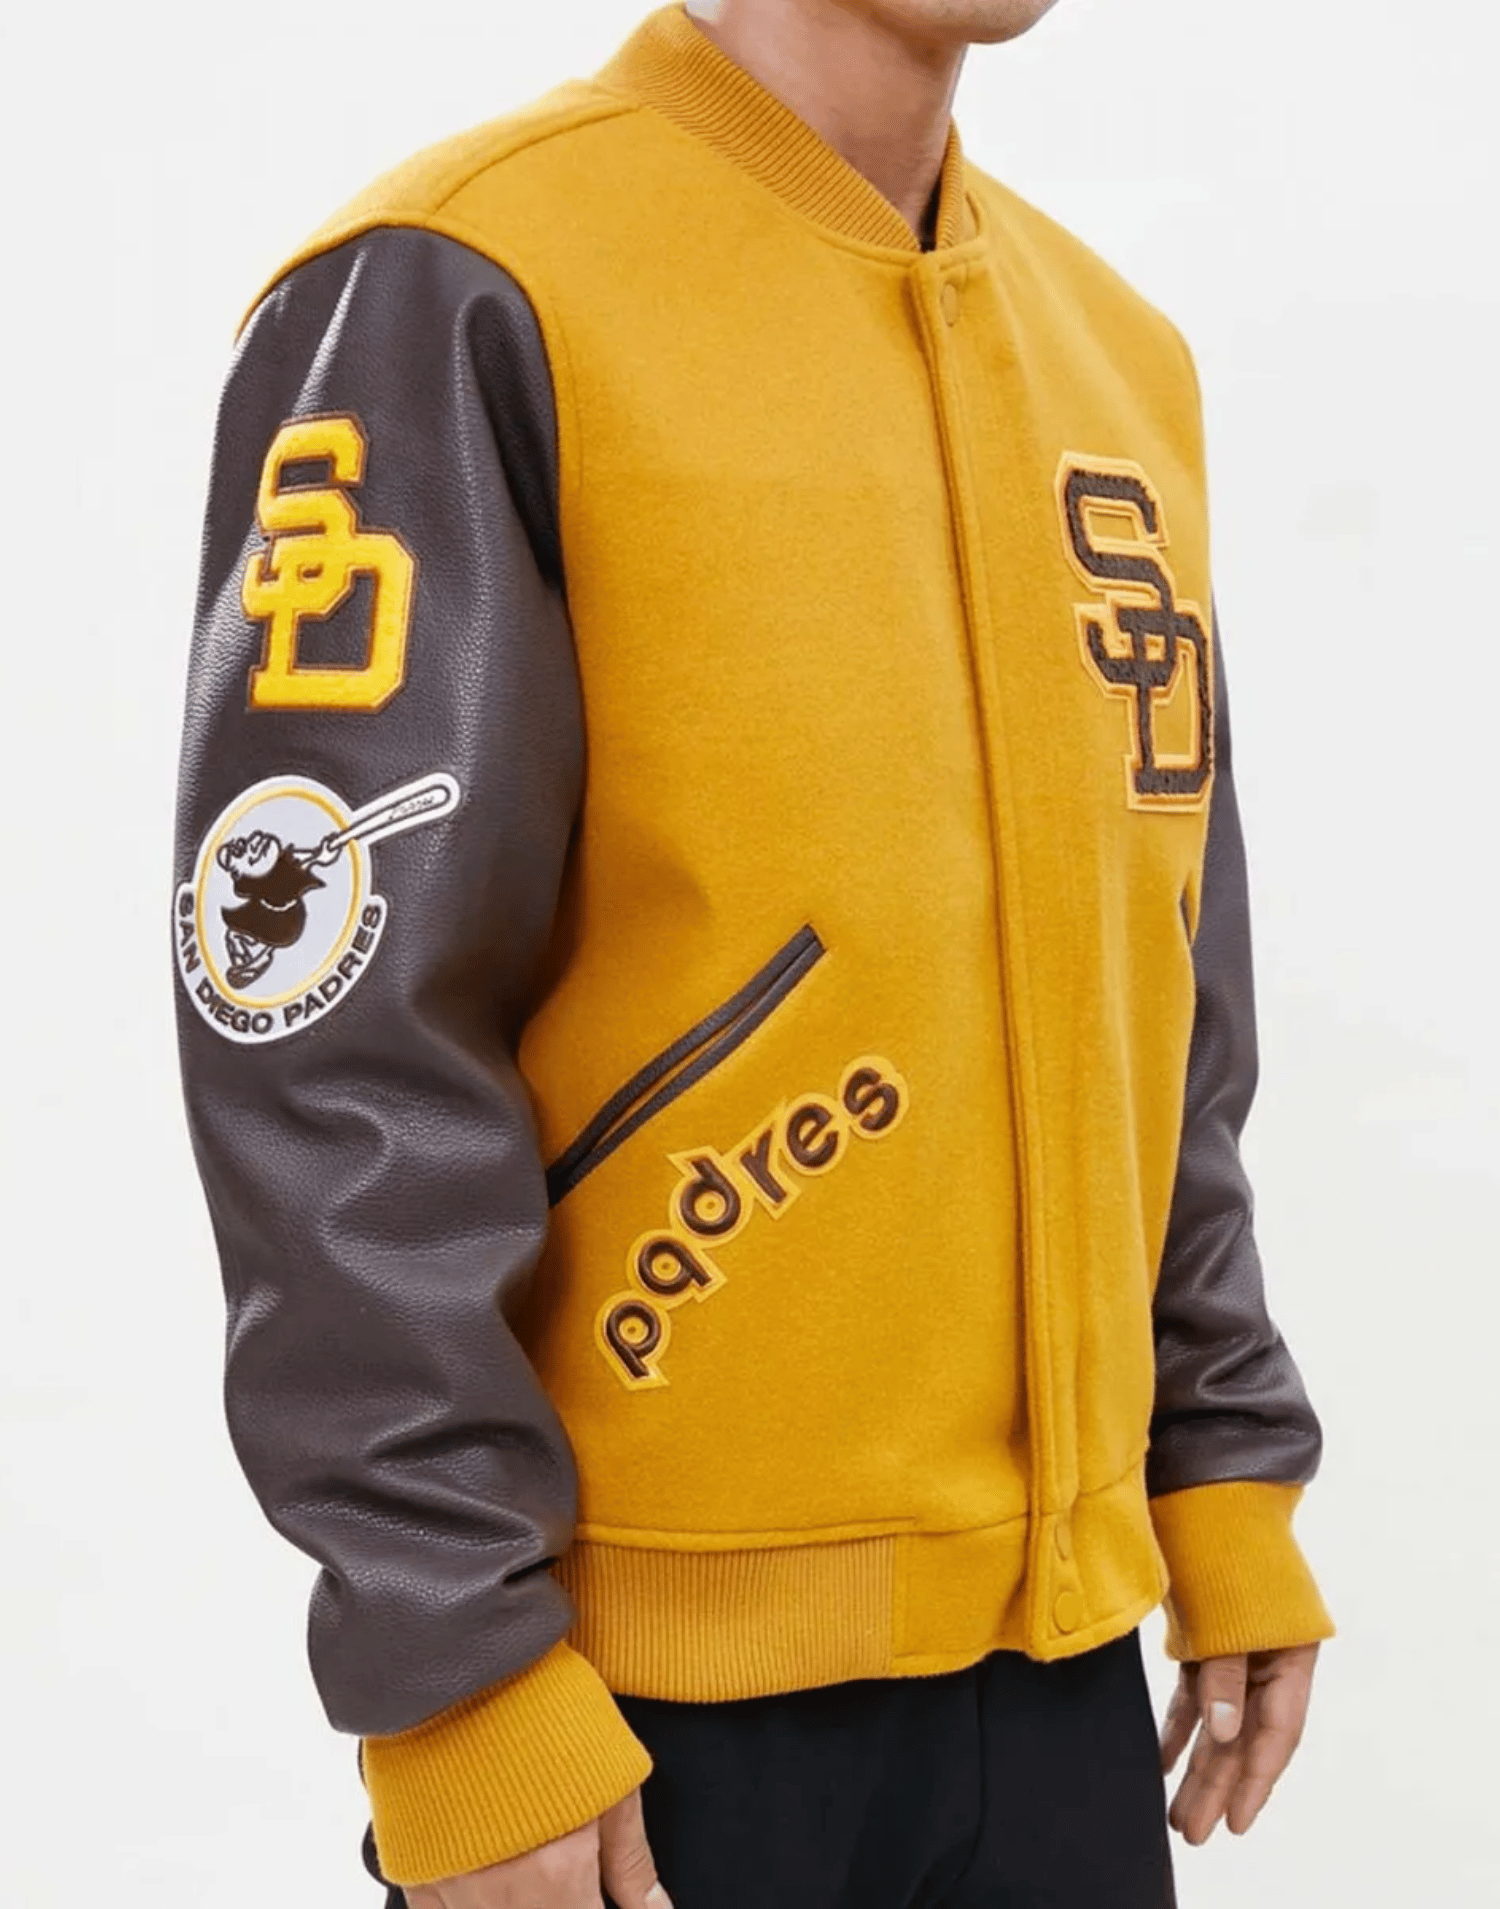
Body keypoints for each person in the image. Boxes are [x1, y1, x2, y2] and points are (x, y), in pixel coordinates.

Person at [169, 1, 1337, 1904]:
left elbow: (1168, 982)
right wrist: (455, 1674)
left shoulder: (1118, 358)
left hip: (1066, 1676)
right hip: (627, 1713)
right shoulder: (463, 285)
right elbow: (329, 1039)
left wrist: (1217, 1467)